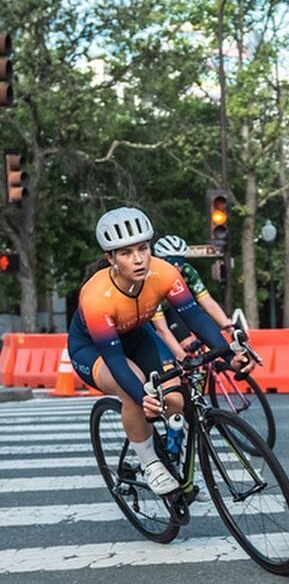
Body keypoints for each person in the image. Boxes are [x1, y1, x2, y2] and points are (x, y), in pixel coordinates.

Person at [68, 208, 243, 496]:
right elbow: (115, 360)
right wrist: (143, 397)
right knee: (137, 393)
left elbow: (195, 318)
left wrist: (228, 354)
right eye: (125, 253)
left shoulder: (164, 273)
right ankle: (150, 463)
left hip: (138, 336)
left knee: (174, 398)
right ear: (111, 259)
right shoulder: (96, 295)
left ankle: (169, 452)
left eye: (143, 248)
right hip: (92, 349)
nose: (138, 259)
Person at [148, 233, 232, 360]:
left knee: (191, 346)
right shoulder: (151, 279)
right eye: (171, 261)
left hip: (168, 311)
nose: (176, 265)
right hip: (146, 319)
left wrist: (229, 327)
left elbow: (207, 301)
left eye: (180, 260)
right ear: (159, 260)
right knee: (172, 357)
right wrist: (183, 358)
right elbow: (162, 329)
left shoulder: (187, 271)